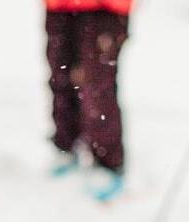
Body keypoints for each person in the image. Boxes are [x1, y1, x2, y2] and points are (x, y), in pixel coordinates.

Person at [44, 0, 133, 201]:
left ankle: (108, 163)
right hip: (59, 6)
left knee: (96, 88)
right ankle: (66, 144)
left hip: (105, 8)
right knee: (61, 77)